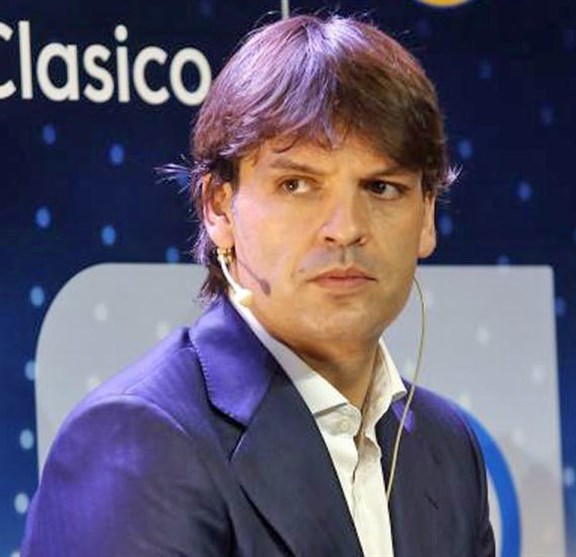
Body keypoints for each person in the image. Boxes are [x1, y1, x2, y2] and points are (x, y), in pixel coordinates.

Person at [22, 14, 496, 557]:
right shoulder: (137, 440)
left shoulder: (445, 445)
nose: (345, 228)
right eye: (297, 184)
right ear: (218, 208)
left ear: (427, 215)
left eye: (382, 188)